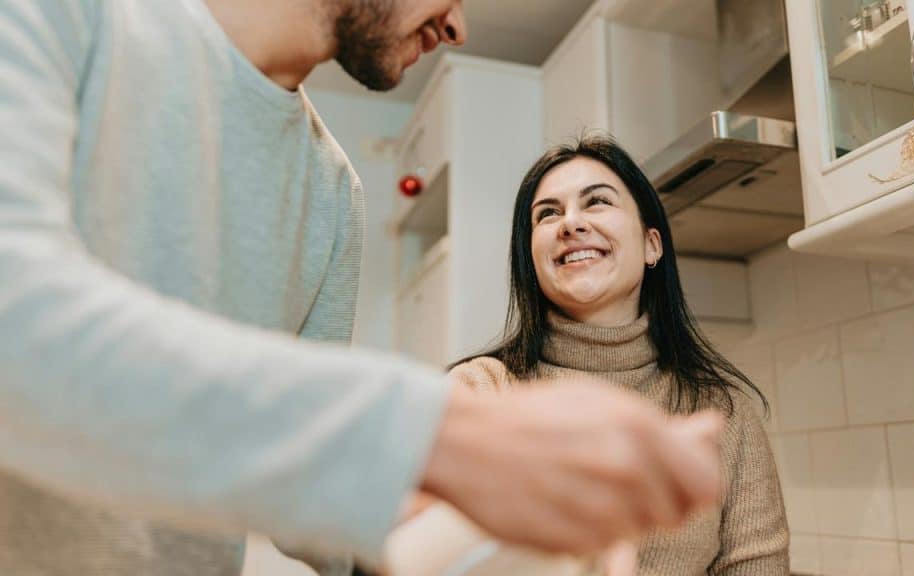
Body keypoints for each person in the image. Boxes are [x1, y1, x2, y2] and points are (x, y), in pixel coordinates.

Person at [0, 1, 724, 575]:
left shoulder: (332, 190)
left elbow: (314, 509)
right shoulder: (70, 14)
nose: (460, 25)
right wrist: (444, 436)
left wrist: (479, 539)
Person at [450, 135, 791, 575]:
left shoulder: (724, 413)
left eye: (596, 203)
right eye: (548, 213)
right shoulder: (477, 392)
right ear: (531, 259)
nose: (570, 223)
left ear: (652, 245)